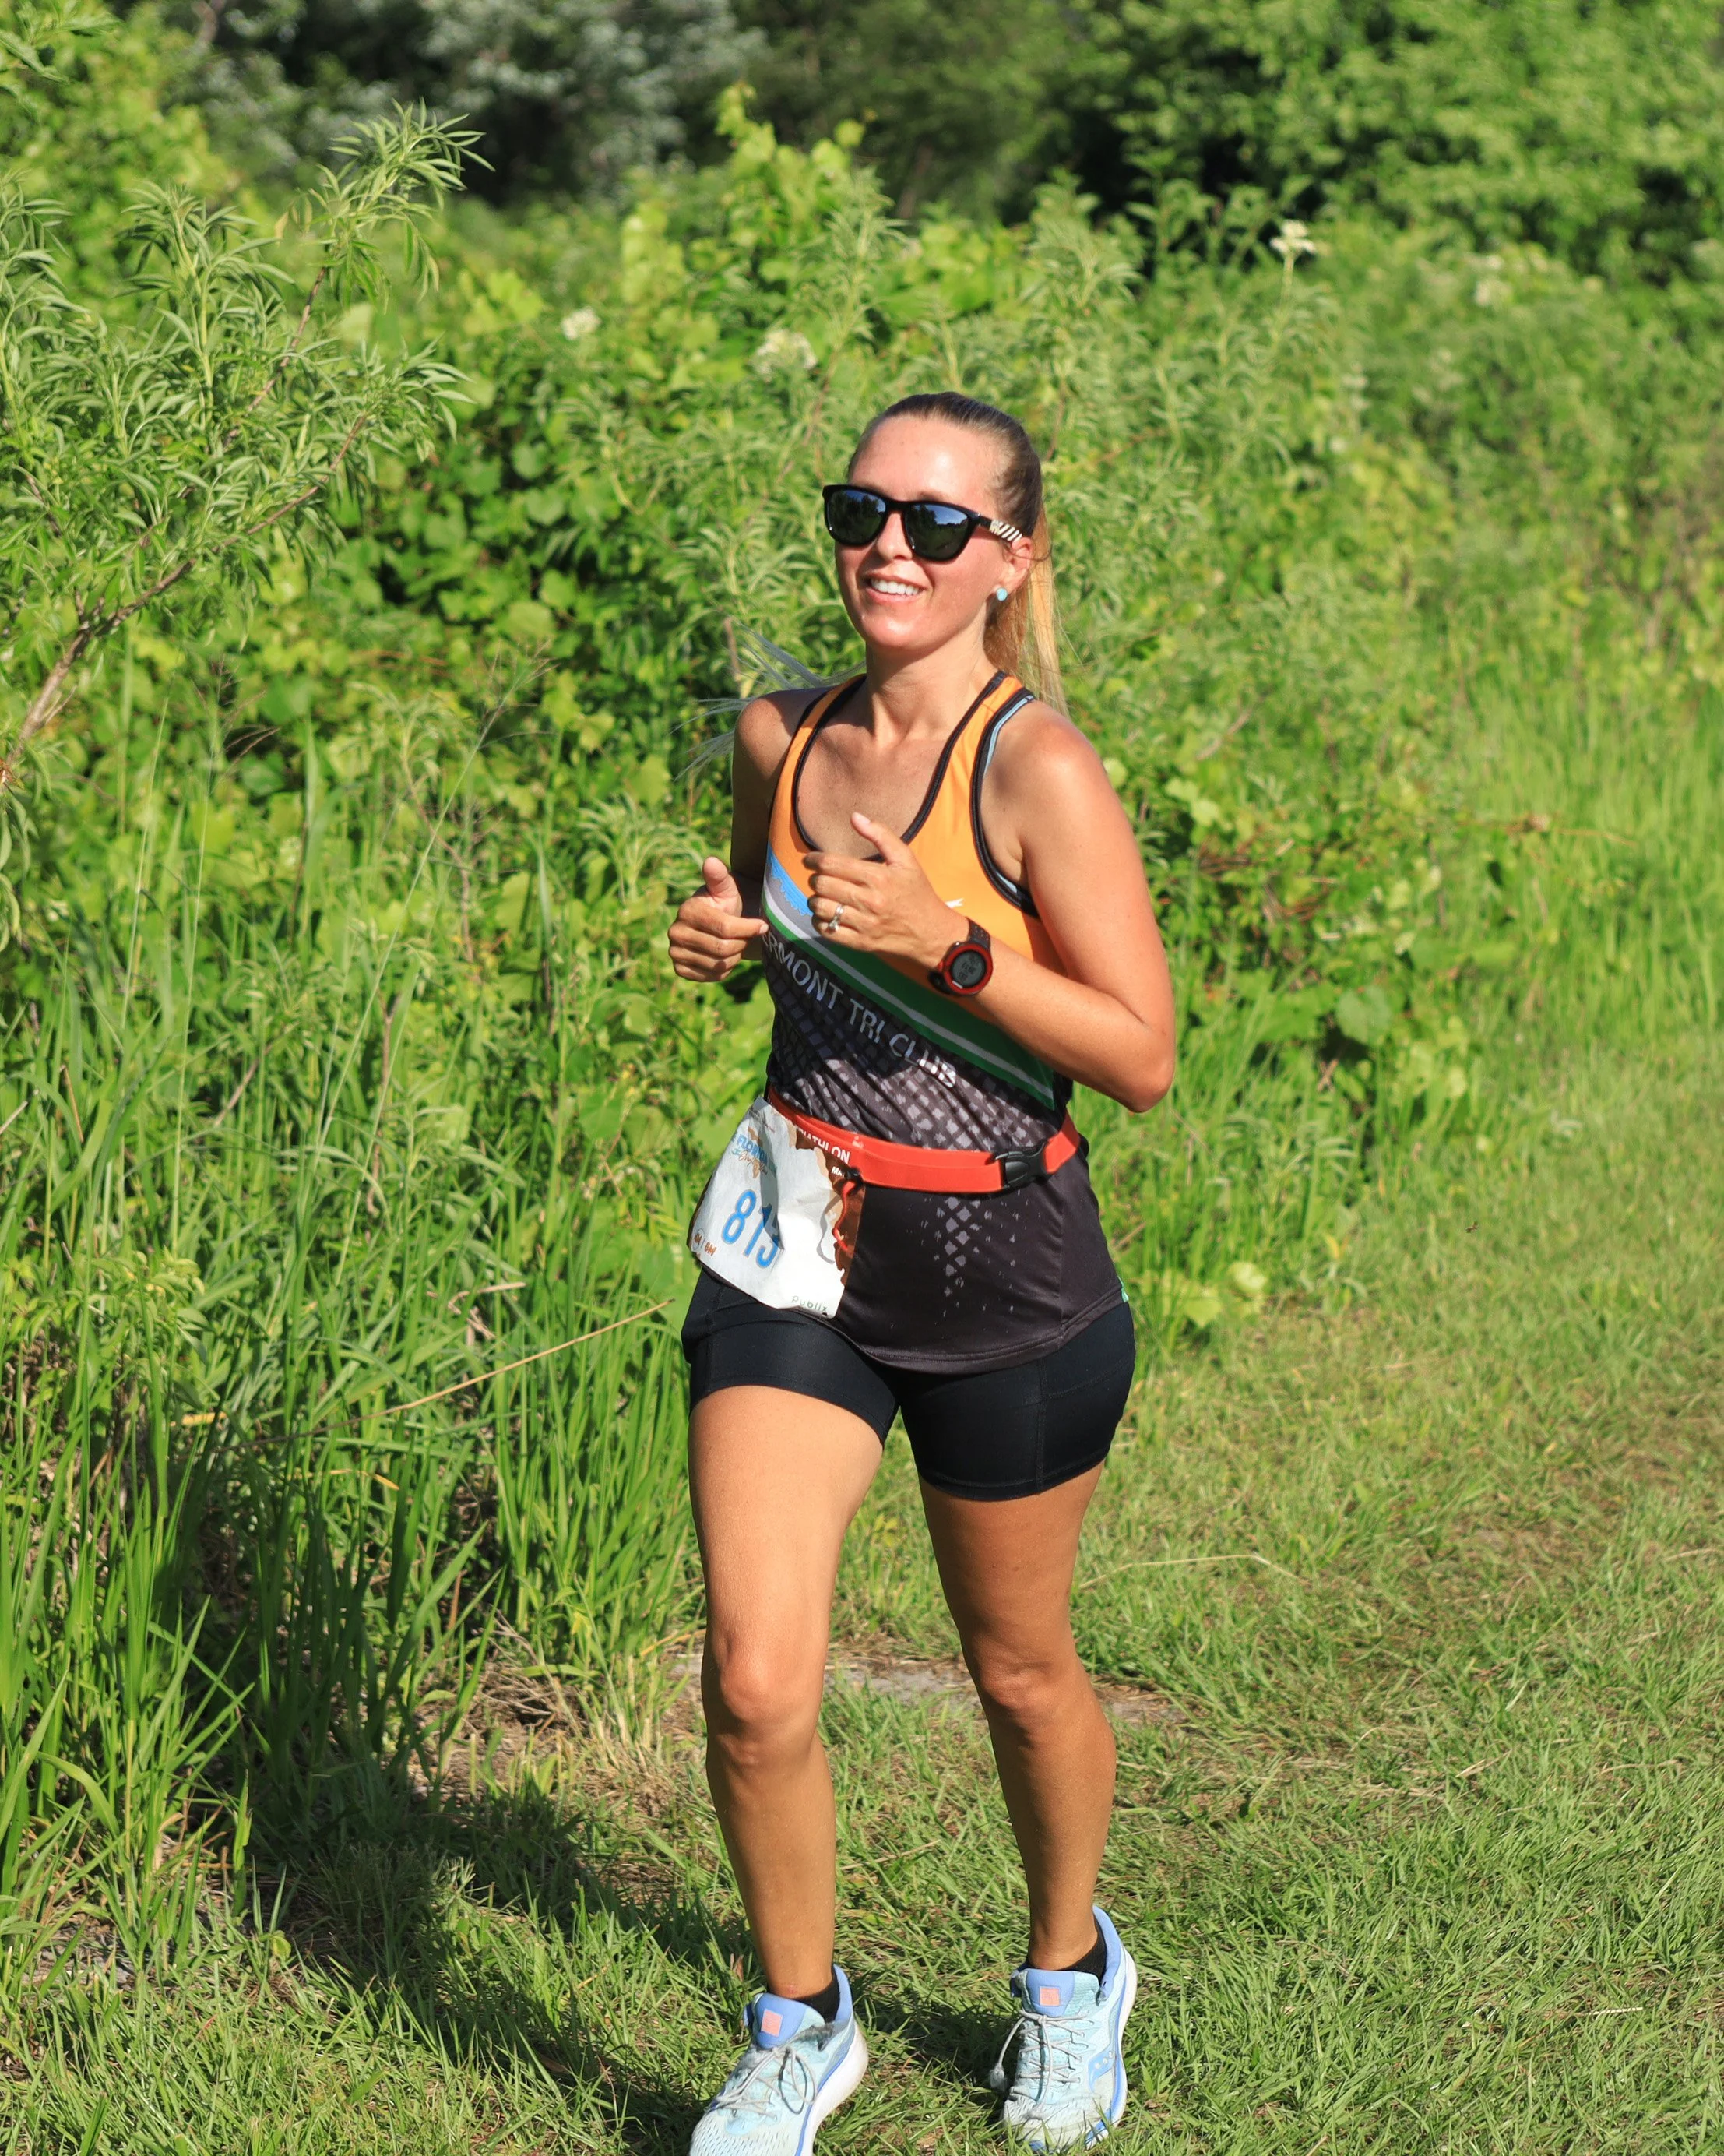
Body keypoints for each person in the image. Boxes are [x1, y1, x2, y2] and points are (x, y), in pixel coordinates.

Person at [667, 390, 1176, 2153]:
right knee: (752, 1672)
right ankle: (800, 2024)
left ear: (1009, 565)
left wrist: (953, 943)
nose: (891, 545)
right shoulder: (780, 737)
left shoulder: (1037, 768)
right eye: (863, 510)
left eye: (939, 525)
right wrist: (724, 935)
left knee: (1019, 1664)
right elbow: (762, 921)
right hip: (798, 1250)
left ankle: (1065, 1973)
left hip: (1004, 1268)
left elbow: (1141, 1051)